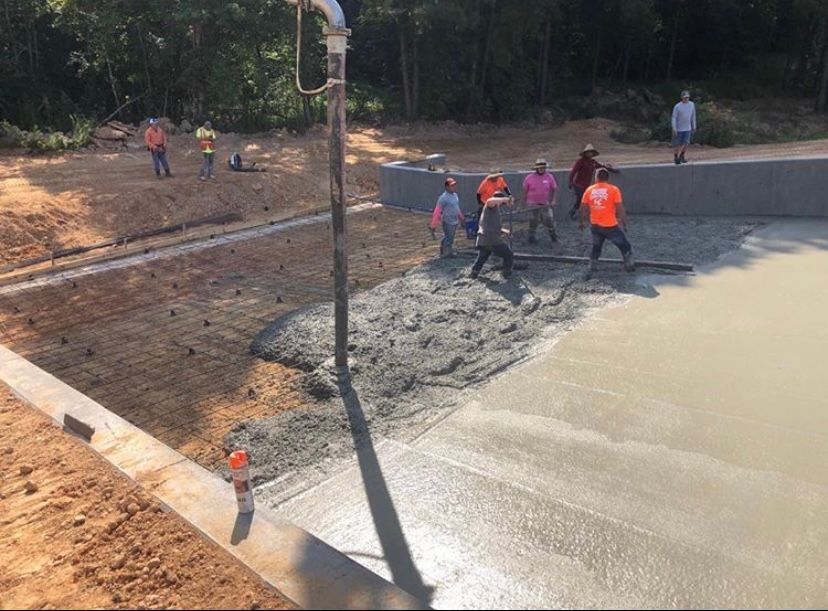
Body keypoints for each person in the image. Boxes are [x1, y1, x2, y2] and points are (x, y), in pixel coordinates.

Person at [579, 168, 635, 275]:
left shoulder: (589, 190)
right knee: (624, 245)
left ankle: (592, 265)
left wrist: (581, 222)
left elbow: (582, 208)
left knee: (596, 246)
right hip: (610, 226)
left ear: (596, 178)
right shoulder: (613, 189)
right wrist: (624, 223)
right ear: (607, 178)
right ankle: (629, 265)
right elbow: (620, 208)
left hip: (595, 225)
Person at [470, 190, 514, 280]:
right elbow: (490, 201)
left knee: (483, 256)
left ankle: (474, 272)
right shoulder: (489, 206)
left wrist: (505, 231)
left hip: (484, 239)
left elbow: (492, 226)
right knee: (508, 254)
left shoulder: (495, 210)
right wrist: (506, 199)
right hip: (491, 239)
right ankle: (506, 273)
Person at [568, 143, 614, 220]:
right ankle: (576, 212)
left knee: (585, 200)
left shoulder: (593, 162)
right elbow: (573, 171)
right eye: (588, 152)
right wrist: (570, 182)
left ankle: (577, 212)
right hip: (578, 184)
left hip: (587, 185)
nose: (590, 154)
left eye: (591, 152)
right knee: (580, 198)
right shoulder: (580, 161)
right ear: (585, 153)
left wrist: (612, 169)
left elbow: (601, 166)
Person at [522, 158, 558, 245]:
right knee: (533, 220)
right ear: (537, 168)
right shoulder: (529, 178)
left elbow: (554, 189)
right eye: (540, 168)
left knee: (549, 219)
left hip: (545, 203)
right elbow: (524, 191)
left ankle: (553, 236)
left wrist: (553, 200)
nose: (542, 169)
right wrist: (523, 203)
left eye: (543, 168)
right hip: (532, 203)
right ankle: (531, 237)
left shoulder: (549, 177)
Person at [430, 177, 465, 258]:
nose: (454, 187)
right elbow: (437, 211)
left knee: (449, 237)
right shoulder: (443, 198)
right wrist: (433, 225)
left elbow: (457, 208)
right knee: (449, 238)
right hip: (448, 221)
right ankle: (446, 254)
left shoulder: (455, 195)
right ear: (447, 187)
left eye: (454, 185)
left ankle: (444, 250)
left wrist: (461, 217)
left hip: (455, 220)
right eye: (451, 186)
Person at [672, 90, 697, 165]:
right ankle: (676, 157)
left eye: (687, 97)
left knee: (686, 143)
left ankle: (682, 155)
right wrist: (674, 128)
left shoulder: (692, 105)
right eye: (685, 97)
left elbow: (693, 116)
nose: (686, 99)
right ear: (682, 98)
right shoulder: (677, 106)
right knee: (677, 144)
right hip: (679, 128)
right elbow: (674, 117)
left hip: (687, 128)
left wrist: (694, 126)